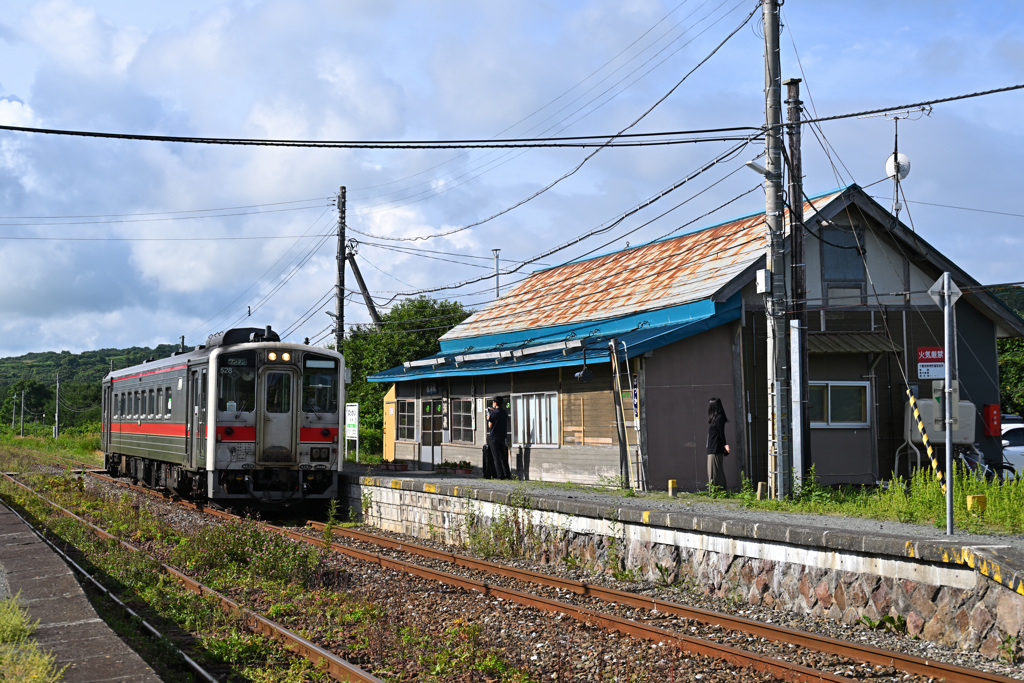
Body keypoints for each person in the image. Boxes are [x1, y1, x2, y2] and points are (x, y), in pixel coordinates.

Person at [706, 397, 729, 490]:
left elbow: (721, 433)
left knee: (714, 472)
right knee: (715, 471)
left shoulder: (718, 418)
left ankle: (717, 491)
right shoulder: (717, 418)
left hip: (715, 448)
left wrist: (725, 445)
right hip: (713, 448)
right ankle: (719, 490)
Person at [487, 398, 512, 480]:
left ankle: (500, 475)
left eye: (493, 402)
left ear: (495, 403)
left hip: (494, 437)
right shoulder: (504, 413)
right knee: (503, 457)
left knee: (496, 457)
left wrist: (489, 418)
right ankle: (507, 475)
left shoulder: (493, 414)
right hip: (502, 437)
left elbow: (490, 426)